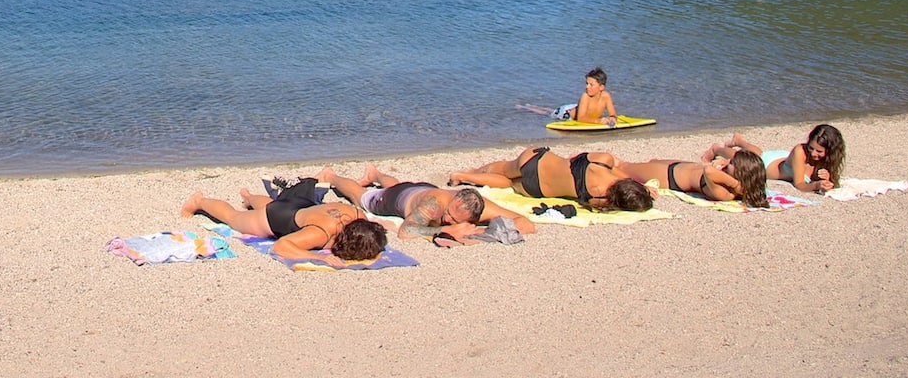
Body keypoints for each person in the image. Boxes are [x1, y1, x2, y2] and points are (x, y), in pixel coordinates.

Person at [178, 181, 388, 267]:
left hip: (300, 205)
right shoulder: (321, 233)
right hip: (276, 218)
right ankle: (199, 201)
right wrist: (319, 257)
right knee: (233, 218)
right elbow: (281, 246)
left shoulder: (356, 214)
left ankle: (249, 197)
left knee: (271, 204)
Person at [314, 165, 536, 238]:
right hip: (395, 199)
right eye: (448, 216)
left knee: (397, 184)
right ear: (453, 200)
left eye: (455, 221)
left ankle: (375, 174)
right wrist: (447, 230)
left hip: (417, 189)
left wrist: (484, 231)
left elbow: (526, 223)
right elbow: (406, 231)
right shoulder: (433, 205)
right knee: (361, 196)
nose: (448, 221)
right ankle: (331, 176)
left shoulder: (478, 205)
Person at [449, 147, 656, 212]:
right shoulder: (599, 199)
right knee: (509, 184)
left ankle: (472, 172)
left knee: (504, 168)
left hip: (537, 161)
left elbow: (577, 158)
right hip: (536, 188)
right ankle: (464, 177)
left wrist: (642, 186)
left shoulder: (603, 160)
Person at [702, 124, 846, 193]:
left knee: (758, 152)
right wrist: (816, 185)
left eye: (819, 151)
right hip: (768, 165)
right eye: (811, 148)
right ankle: (717, 148)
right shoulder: (801, 151)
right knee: (744, 157)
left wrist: (827, 179)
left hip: (783, 159)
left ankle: (739, 141)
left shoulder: (828, 159)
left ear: (831, 151)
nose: (813, 153)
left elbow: (833, 182)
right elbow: (800, 185)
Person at [616, 150, 769, 209]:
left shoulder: (726, 193)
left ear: (740, 174)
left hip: (669, 176)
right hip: (683, 166)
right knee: (652, 160)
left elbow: (709, 171)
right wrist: (722, 162)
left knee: (622, 166)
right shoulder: (727, 176)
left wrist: (736, 185)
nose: (727, 162)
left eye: (732, 163)